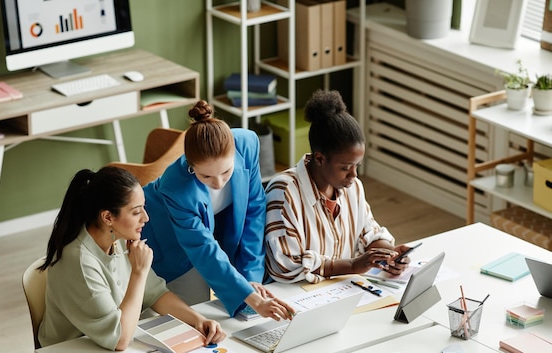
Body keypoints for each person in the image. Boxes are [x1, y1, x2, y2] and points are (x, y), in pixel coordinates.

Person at [37, 166, 226, 352]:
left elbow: (156, 293)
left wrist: (197, 320)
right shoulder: (79, 262)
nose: (146, 217)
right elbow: (119, 338)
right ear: (108, 217)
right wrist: (139, 272)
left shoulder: (117, 239)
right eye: (136, 212)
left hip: (109, 349)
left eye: (143, 208)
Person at [142, 100, 295, 320]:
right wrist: (252, 297)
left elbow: (254, 211)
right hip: (168, 239)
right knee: (192, 313)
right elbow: (203, 248)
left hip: (216, 222)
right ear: (191, 166)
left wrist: (251, 279)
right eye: (206, 176)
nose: (218, 182)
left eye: (226, 171)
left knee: (245, 296)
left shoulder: (248, 143)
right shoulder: (175, 188)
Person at [264, 89, 413, 283]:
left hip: (340, 290)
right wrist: (351, 266)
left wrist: (389, 254)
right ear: (319, 158)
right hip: (296, 296)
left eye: (357, 166)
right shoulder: (284, 193)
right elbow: (283, 265)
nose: (354, 175)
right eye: (345, 168)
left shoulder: (353, 187)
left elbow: (368, 233)